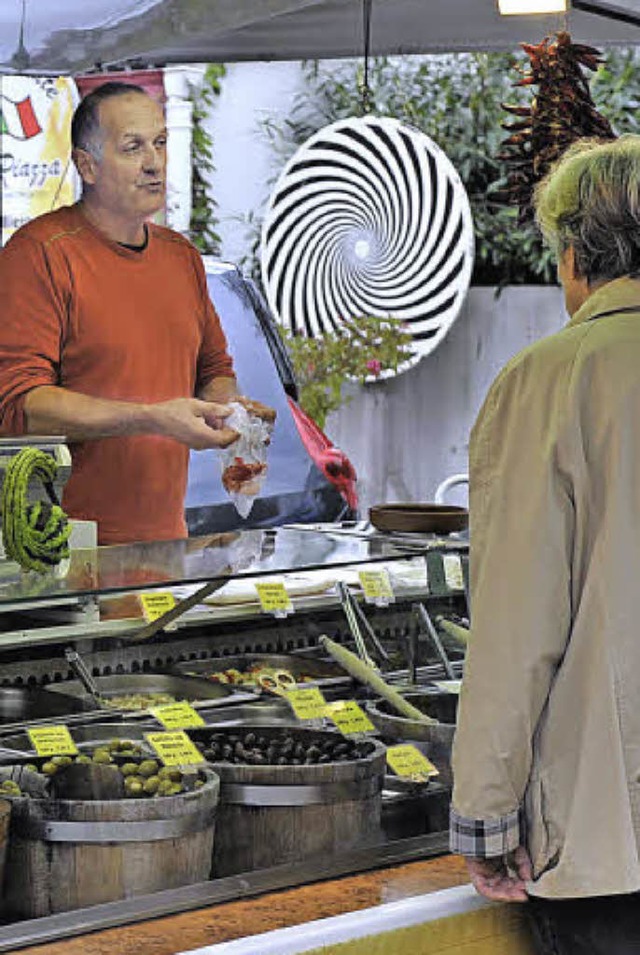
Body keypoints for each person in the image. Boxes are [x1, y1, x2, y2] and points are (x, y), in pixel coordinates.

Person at [450, 135, 640, 954]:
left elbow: (516, 628)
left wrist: (486, 817)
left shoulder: (551, 379)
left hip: (609, 840)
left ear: (572, 257)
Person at [0, 81, 273, 545]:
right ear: (87, 165)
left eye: (160, 143)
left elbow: (213, 367)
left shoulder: (179, 257)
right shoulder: (38, 254)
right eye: (133, 147)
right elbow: (17, 405)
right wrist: (150, 417)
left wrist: (230, 410)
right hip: (61, 553)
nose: (154, 163)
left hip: (165, 542)